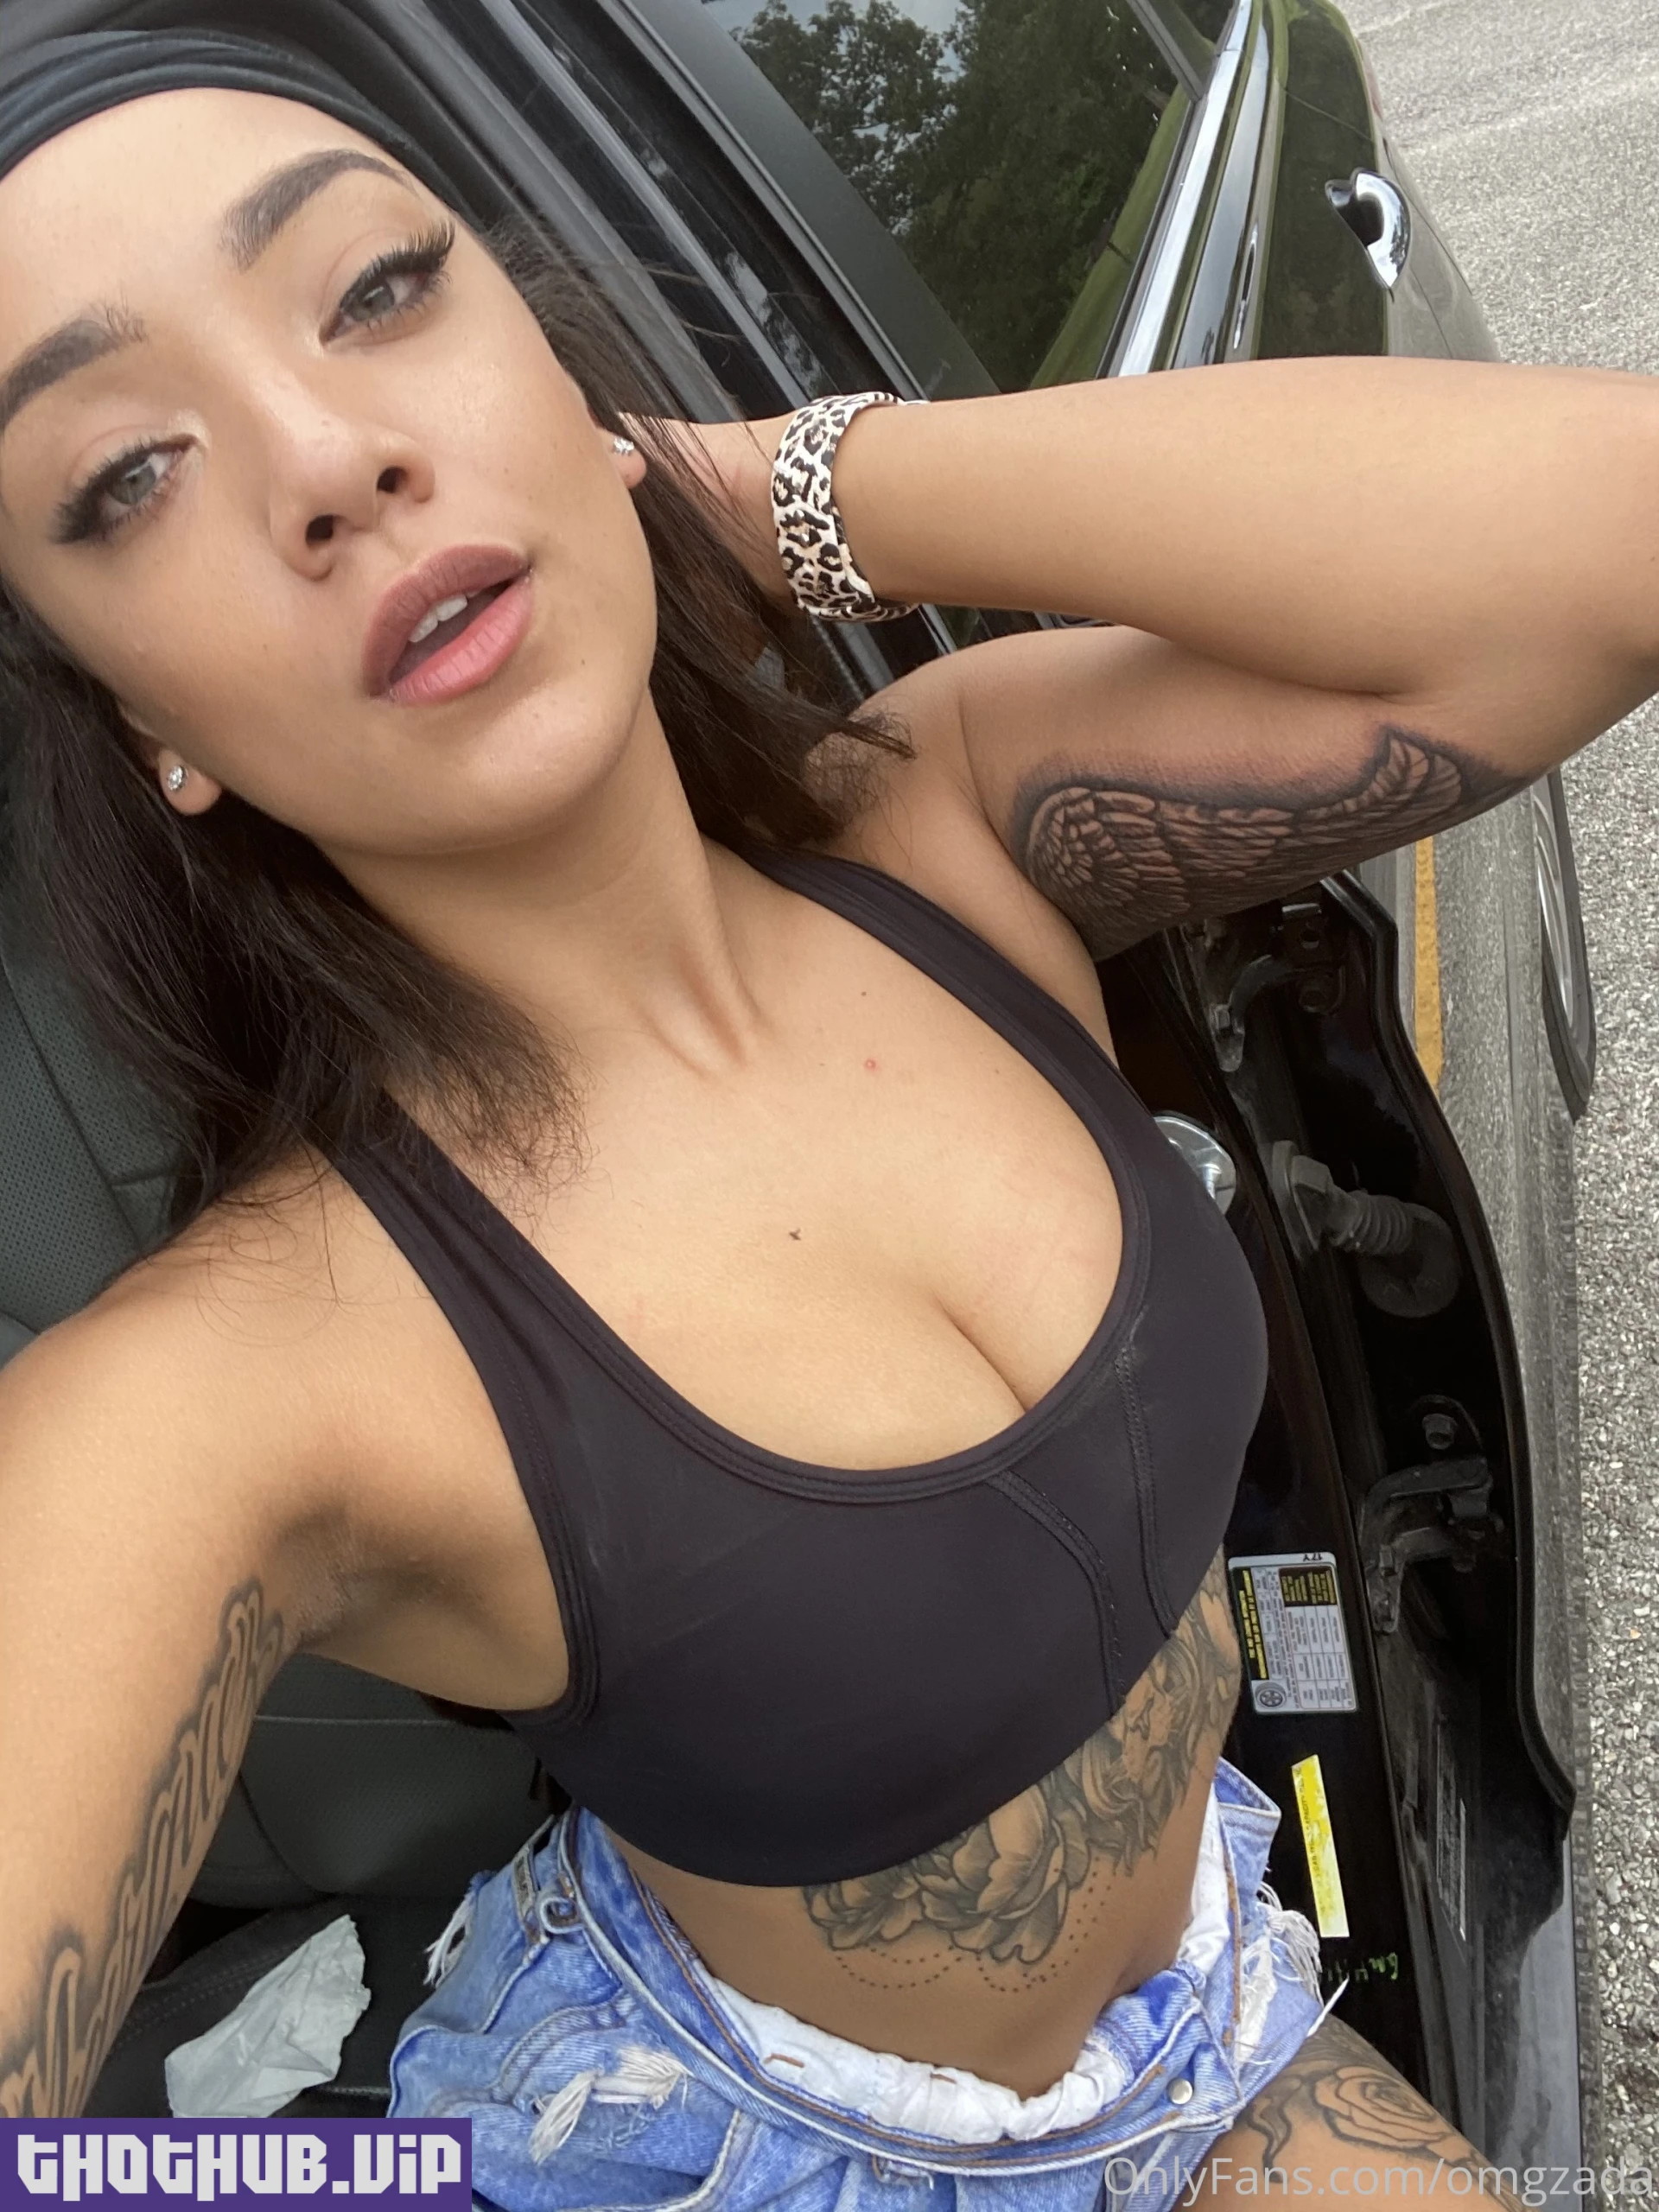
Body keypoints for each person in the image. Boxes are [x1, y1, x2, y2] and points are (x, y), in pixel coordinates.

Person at [0, 25, 1642, 2203]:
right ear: (151, 730)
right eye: (127, 475)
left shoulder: (950, 825)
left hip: (1207, 2021)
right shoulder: (240, 1372)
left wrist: (761, 491)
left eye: (380, 291)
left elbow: (1613, 544)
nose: (326, 458)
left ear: (558, 368)